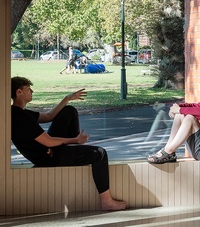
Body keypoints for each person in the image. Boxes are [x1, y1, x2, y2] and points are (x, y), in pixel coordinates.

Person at [10, 76, 126, 211]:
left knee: (69, 111)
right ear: (19, 92)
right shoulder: (21, 117)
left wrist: (67, 98)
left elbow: (49, 116)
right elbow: (49, 141)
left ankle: (74, 151)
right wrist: (75, 140)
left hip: (48, 150)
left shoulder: (20, 113)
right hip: (48, 156)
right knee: (99, 154)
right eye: (29, 89)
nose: (32, 91)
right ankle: (106, 201)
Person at [147, 70, 200, 164]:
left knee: (190, 118)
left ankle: (168, 151)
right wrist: (177, 108)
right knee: (180, 115)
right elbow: (196, 106)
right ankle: (169, 150)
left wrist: (179, 109)